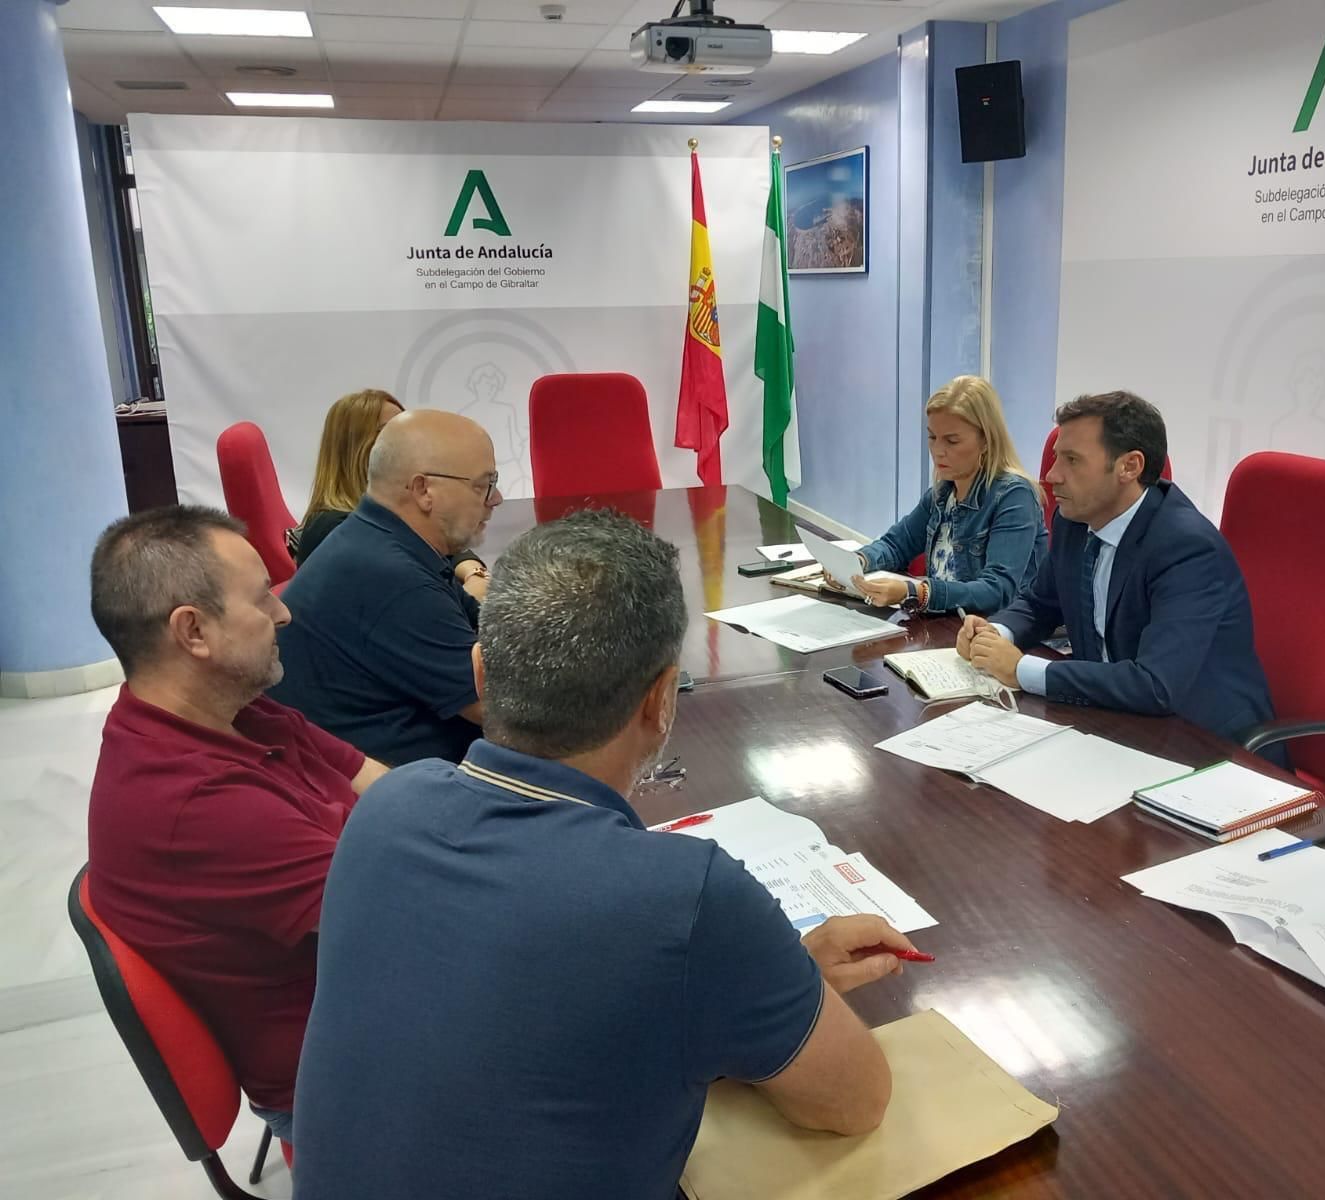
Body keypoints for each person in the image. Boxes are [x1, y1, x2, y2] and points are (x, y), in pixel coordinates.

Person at [290, 511, 914, 1199]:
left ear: (479, 670)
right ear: (660, 702)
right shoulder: (687, 896)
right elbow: (857, 1102)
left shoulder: (384, 809)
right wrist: (765, 979)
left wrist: (768, 979)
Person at [85, 506, 388, 1147]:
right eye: (261, 599)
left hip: (374, 1006)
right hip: (351, 1084)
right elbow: (415, 917)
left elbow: (379, 781)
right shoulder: (198, 806)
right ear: (193, 631)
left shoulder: (230, 712)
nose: (283, 613)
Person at [961, 390, 1276, 744]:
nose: (1052, 475)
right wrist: (995, 634)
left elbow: (1155, 685)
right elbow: (1039, 603)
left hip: (1205, 746)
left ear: (1129, 466)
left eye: (1072, 460)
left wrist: (1021, 670)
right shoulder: (1075, 520)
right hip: (1109, 722)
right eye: (1055, 458)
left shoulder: (1187, 548)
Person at [269, 409, 502, 766]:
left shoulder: (382, 539)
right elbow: (500, 707)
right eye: (483, 484)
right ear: (424, 490)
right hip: (392, 795)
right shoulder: (391, 576)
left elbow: (486, 620)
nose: (495, 498)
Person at [845, 375, 1046, 615]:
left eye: (952, 441)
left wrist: (917, 592)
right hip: (943, 625)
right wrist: (857, 562)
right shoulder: (942, 493)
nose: (938, 451)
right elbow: (896, 544)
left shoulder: (1014, 496)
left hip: (994, 633)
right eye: (932, 437)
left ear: (986, 440)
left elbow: (997, 590)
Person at [290, 389, 489, 599]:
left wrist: (473, 573)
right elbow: (419, 599)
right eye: (391, 433)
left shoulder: (391, 509)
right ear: (354, 448)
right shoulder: (336, 530)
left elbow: (441, 541)